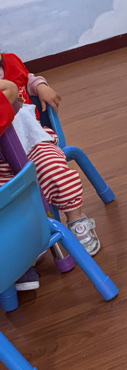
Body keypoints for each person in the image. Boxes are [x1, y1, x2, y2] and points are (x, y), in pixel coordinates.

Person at [0, 52, 101, 282]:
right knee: (8, 200)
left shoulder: (10, 63)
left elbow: (28, 79)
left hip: (33, 141)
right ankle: (23, 243)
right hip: (2, 161)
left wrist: (41, 86)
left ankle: (76, 219)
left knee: (54, 171)